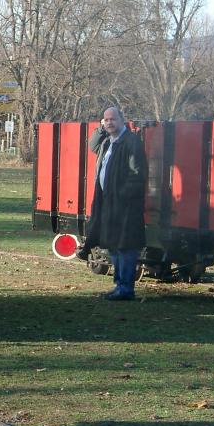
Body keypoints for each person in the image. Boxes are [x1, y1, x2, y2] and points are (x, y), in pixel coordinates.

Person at [78, 106, 147, 300]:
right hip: (107, 201)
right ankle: (119, 287)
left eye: (113, 119)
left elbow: (138, 174)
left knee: (125, 246)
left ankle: (126, 289)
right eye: (106, 120)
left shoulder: (131, 141)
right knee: (114, 245)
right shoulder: (107, 142)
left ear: (122, 120)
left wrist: (123, 195)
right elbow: (92, 145)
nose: (109, 123)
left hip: (125, 204)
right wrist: (101, 129)